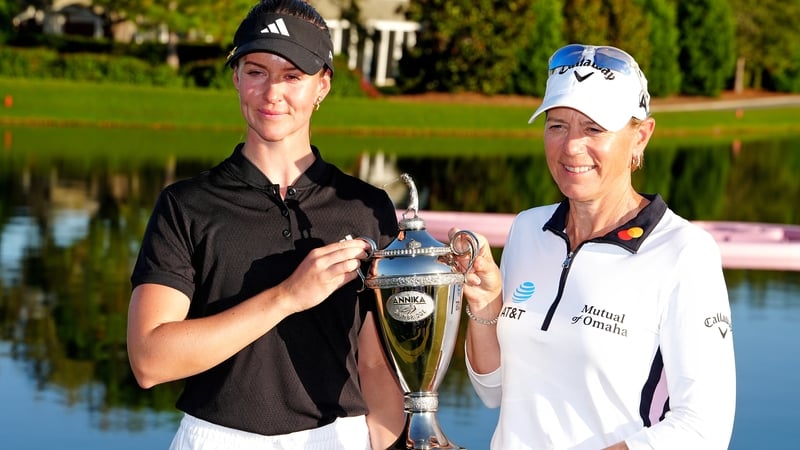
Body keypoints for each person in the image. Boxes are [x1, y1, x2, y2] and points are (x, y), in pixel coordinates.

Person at [126, 1, 404, 448]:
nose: (272, 92)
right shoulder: (186, 205)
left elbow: (374, 363)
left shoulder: (367, 208)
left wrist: (392, 441)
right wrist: (287, 297)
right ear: (236, 78)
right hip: (217, 437)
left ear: (323, 86)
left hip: (338, 437)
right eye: (256, 71)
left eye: (293, 76)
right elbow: (149, 360)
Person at [455, 44, 736, 449]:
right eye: (557, 126)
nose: (571, 147)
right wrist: (485, 304)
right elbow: (492, 392)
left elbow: (704, 430)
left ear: (640, 136)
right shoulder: (529, 228)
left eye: (594, 129)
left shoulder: (685, 252)